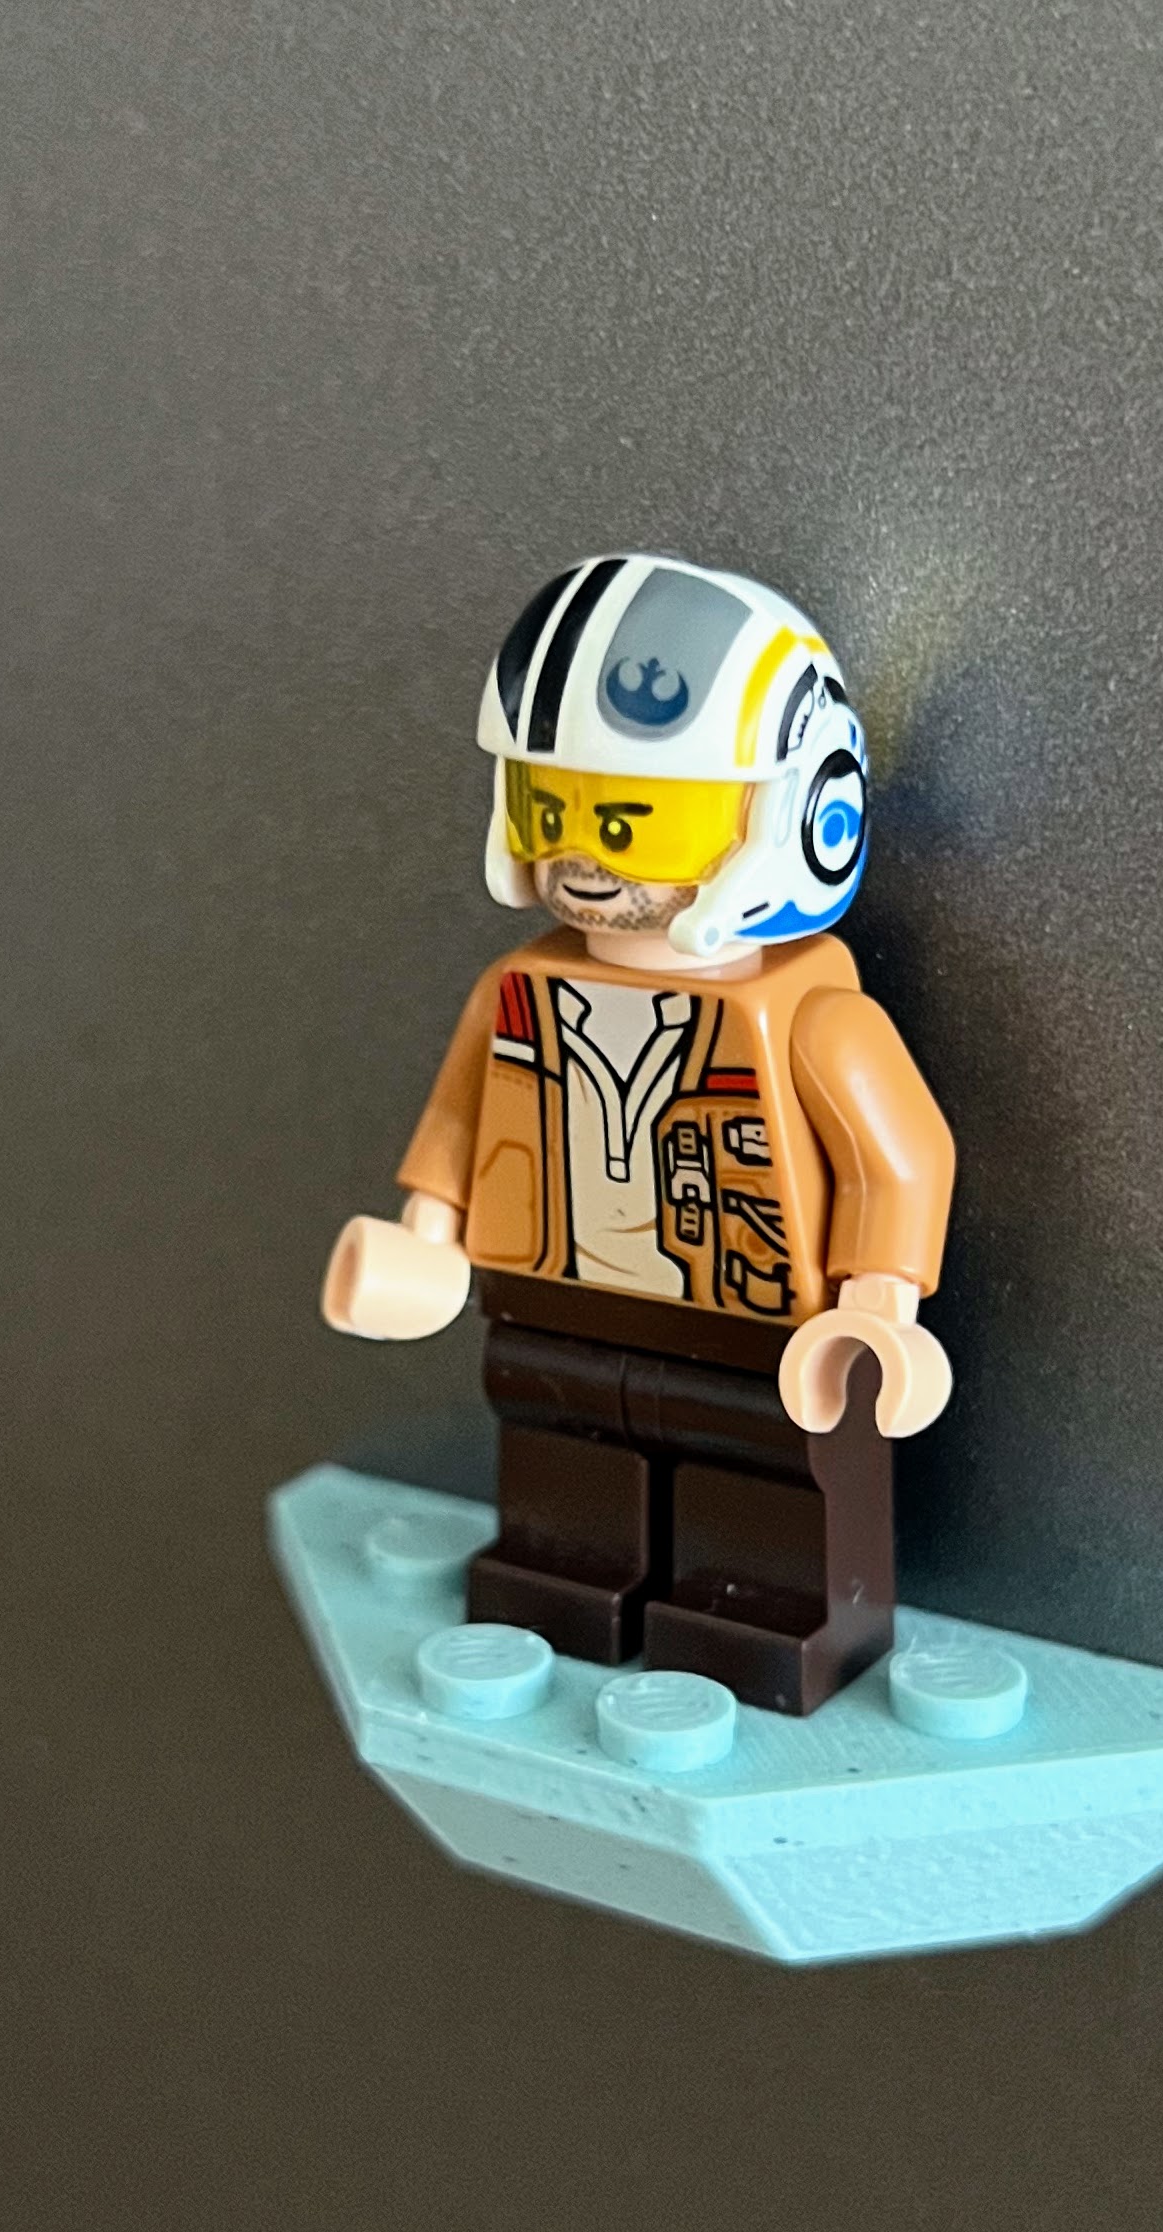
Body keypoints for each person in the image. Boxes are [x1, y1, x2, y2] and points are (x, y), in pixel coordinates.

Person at [322, 553, 957, 1715]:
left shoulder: (810, 1015)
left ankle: (756, 1607)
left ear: (791, 816)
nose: (582, 857)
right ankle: (565, 1566)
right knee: (557, 1426)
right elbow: (466, 1111)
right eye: (549, 809)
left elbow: (902, 1157)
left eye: (635, 823)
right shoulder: (518, 988)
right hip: (551, 1296)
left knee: (760, 1462)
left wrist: (879, 1304)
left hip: (752, 1320)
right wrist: (429, 1232)